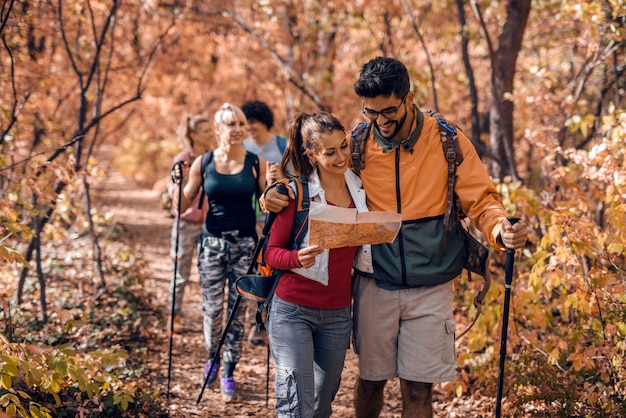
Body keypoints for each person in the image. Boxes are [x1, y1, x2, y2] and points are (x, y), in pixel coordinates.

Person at [262, 57, 529, 417]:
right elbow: (312, 184)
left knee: (419, 391)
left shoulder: (447, 140)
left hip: (431, 284)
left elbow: (482, 201)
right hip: (374, 283)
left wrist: (501, 230)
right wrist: (271, 195)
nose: (381, 121)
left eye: (389, 111)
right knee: (371, 382)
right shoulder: (356, 144)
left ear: (409, 98)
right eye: (371, 112)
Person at [264, 112, 372, 418]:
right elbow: (271, 253)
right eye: (329, 152)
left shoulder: (360, 189)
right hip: (292, 311)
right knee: (297, 405)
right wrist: (296, 258)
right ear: (312, 155)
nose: (340, 157)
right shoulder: (297, 194)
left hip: (338, 314)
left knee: (321, 406)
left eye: (343, 146)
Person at [172, 103, 267, 402]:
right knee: (212, 311)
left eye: (241, 123)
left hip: (245, 246)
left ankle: (228, 371)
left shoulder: (257, 163)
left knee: (237, 313)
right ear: (218, 130)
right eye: (231, 124)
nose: (238, 128)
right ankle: (212, 357)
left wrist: (275, 187)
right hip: (212, 246)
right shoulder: (203, 163)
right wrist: (177, 182)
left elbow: (268, 204)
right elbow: (183, 206)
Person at [241, 100, 288, 345]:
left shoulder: (283, 146)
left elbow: (298, 180)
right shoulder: (242, 148)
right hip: (251, 220)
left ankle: (274, 322)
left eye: (254, 127)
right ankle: (255, 325)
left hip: (279, 219)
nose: (250, 132)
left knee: (276, 270)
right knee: (254, 270)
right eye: (246, 127)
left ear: (265, 123)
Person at [167, 113, 215, 333]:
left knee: (208, 271)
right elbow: (173, 192)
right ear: (193, 135)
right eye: (206, 131)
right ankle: (173, 314)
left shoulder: (214, 157)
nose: (211, 134)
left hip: (211, 225)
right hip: (186, 224)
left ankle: (209, 316)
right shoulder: (183, 159)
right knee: (181, 271)